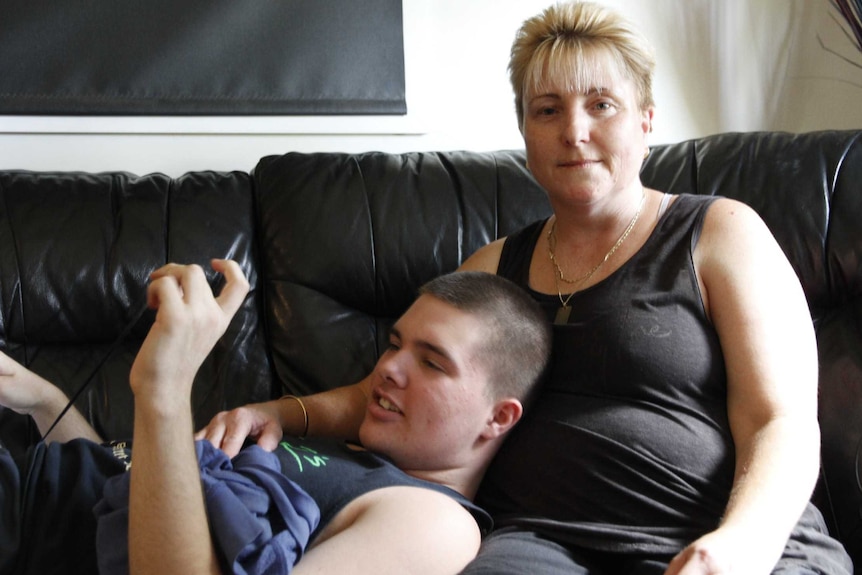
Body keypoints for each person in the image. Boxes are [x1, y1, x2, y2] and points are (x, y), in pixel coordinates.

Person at [197, 2, 853, 574]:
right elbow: (396, 387)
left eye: (602, 105)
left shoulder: (718, 233)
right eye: (548, 110)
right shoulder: (492, 267)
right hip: (543, 543)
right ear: (526, 133)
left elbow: (783, 421)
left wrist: (740, 545)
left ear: (646, 121)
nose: (574, 130)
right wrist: (282, 411)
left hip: (717, 538)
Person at [0, 261, 551, 575]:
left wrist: (164, 390)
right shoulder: (359, 458)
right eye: (394, 344)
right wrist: (42, 399)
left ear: (497, 418)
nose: (388, 369)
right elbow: (119, 489)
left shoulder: (437, 524)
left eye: (432, 362)